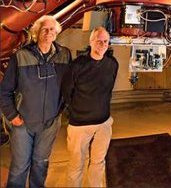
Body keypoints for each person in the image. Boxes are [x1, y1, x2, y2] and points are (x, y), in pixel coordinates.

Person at [0, 15, 71, 188]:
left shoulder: (64, 55)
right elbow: (4, 91)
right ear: (36, 32)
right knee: (19, 166)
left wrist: (62, 109)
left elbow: (70, 85)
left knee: (41, 163)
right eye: (44, 29)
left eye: (52, 29)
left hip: (50, 122)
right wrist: (12, 115)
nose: (48, 33)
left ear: (56, 33)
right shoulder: (21, 56)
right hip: (23, 123)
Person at [61, 26, 118, 187]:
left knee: (98, 162)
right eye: (98, 41)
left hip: (103, 123)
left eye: (105, 41)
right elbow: (67, 91)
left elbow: (108, 89)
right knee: (75, 164)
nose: (102, 45)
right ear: (91, 42)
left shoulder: (112, 64)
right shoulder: (78, 65)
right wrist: (77, 109)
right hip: (80, 124)